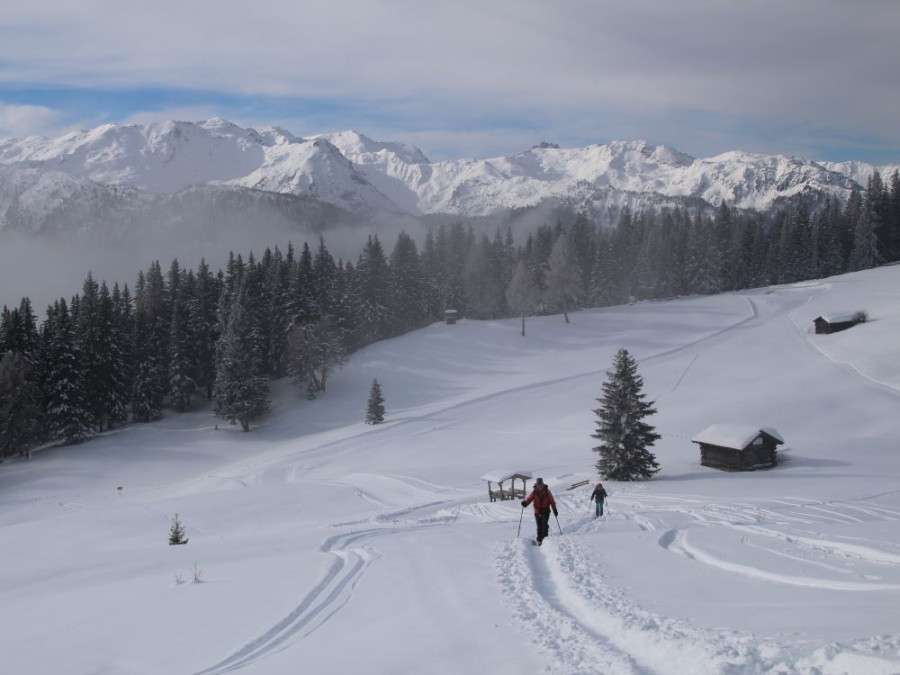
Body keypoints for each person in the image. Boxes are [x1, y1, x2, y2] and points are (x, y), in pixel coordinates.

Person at [521, 478, 557, 545]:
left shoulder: (547, 492)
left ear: (543, 485)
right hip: (537, 512)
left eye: (541, 485)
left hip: (545, 511)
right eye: (538, 485)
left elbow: (552, 502)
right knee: (539, 526)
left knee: (544, 524)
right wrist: (525, 503)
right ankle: (539, 540)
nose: (540, 487)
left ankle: (545, 539)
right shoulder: (534, 492)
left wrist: (555, 510)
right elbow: (529, 499)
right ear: (536, 485)